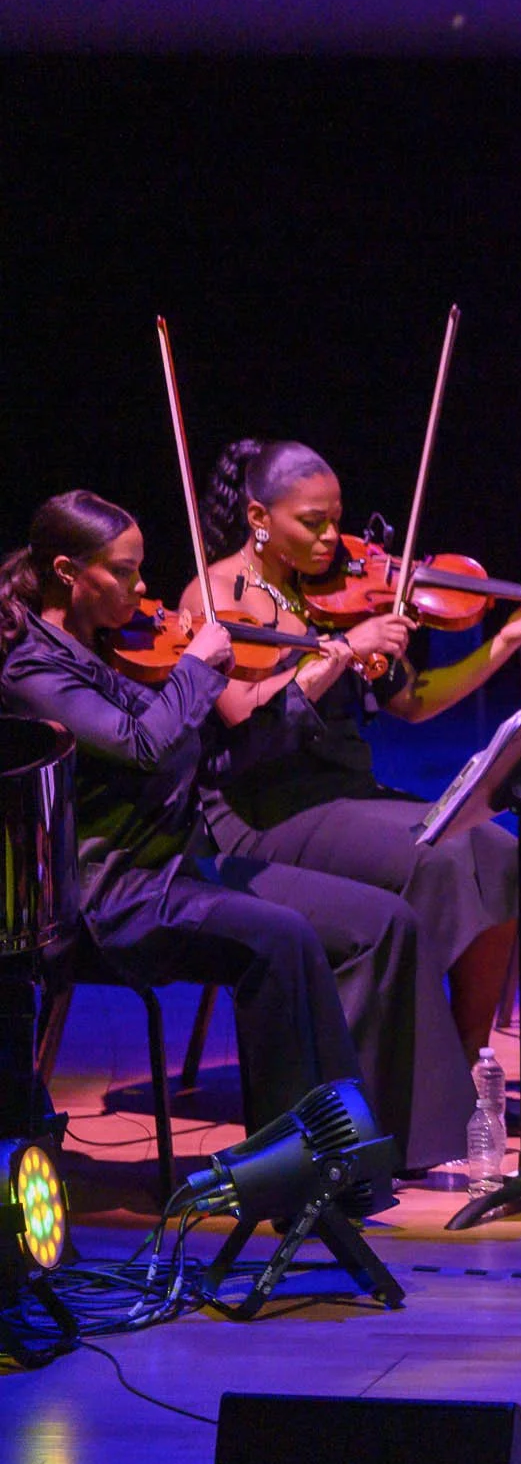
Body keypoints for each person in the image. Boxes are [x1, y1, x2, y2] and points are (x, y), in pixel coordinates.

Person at [0, 491, 448, 1168]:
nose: (144, 586)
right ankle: (294, 1171)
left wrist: (307, 680)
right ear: (68, 572)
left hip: (182, 870)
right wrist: (191, 672)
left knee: (381, 920)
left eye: (141, 568)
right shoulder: (31, 670)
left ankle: (395, 1144)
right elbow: (141, 742)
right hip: (112, 897)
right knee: (281, 938)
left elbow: (216, 757)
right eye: (123, 571)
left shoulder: (115, 648)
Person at [183, 438, 521, 1066]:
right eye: (312, 522)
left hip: (342, 792)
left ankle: (470, 1066)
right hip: (260, 810)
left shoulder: (333, 593)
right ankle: (408, 1064)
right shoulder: (217, 593)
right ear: (258, 518)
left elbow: (414, 701)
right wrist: (340, 653)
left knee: (499, 846)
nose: (333, 537)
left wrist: (506, 644)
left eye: (336, 518)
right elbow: (245, 714)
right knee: (440, 859)